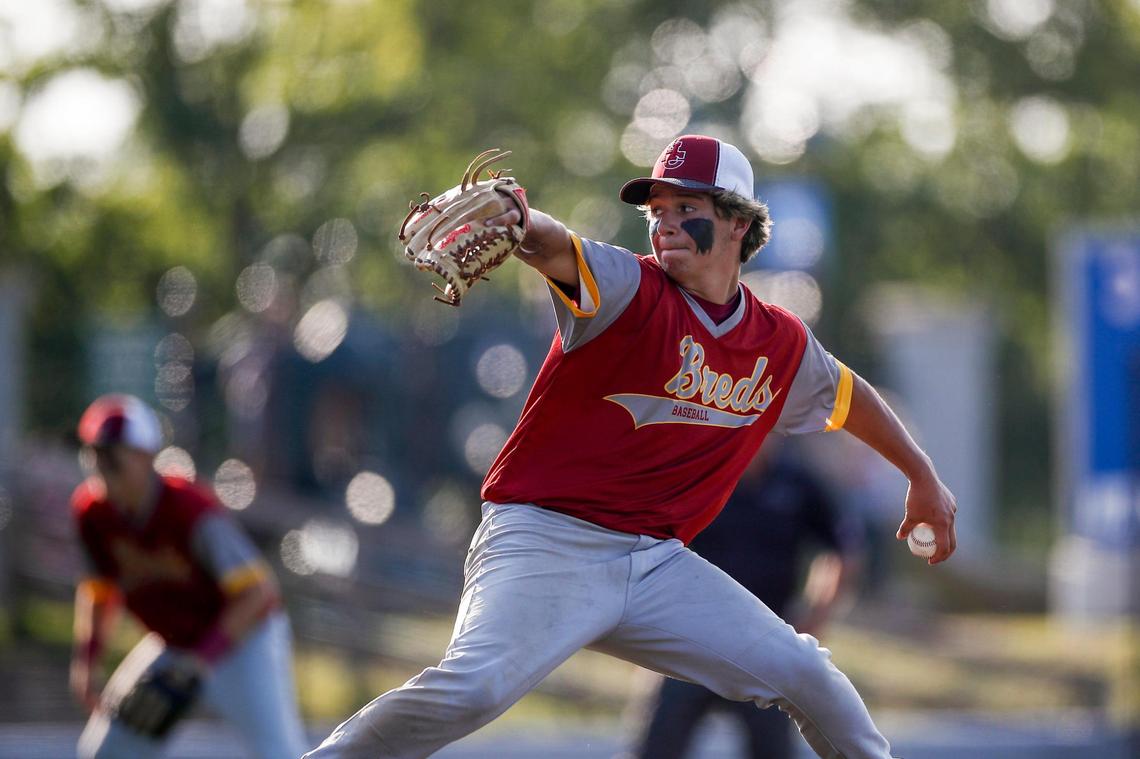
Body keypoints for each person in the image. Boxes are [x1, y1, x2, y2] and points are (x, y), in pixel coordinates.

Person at [306, 134, 957, 759]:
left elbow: (848, 395)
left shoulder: (778, 341)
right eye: (657, 211)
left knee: (804, 670)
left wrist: (921, 475)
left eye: (687, 209)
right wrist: (521, 219)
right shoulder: (627, 289)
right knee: (474, 688)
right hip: (545, 540)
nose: (665, 223)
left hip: (656, 562)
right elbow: (557, 246)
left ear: (738, 224)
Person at [68, 394, 309, 759]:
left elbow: (258, 592)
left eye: (113, 455)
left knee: (280, 753)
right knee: (106, 752)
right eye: (95, 454)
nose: (102, 466)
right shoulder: (92, 512)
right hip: (176, 646)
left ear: (145, 456)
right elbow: (100, 590)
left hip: (245, 642)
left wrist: (202, 660)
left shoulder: (189, 510)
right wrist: (87, 660)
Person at [630, 440, 863, 759]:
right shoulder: (699, 476)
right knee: (656, 749)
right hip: (692, 641)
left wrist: (816, 616)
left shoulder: (796, 482)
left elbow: (843, 550)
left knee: (773, 751)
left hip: (763, 644)